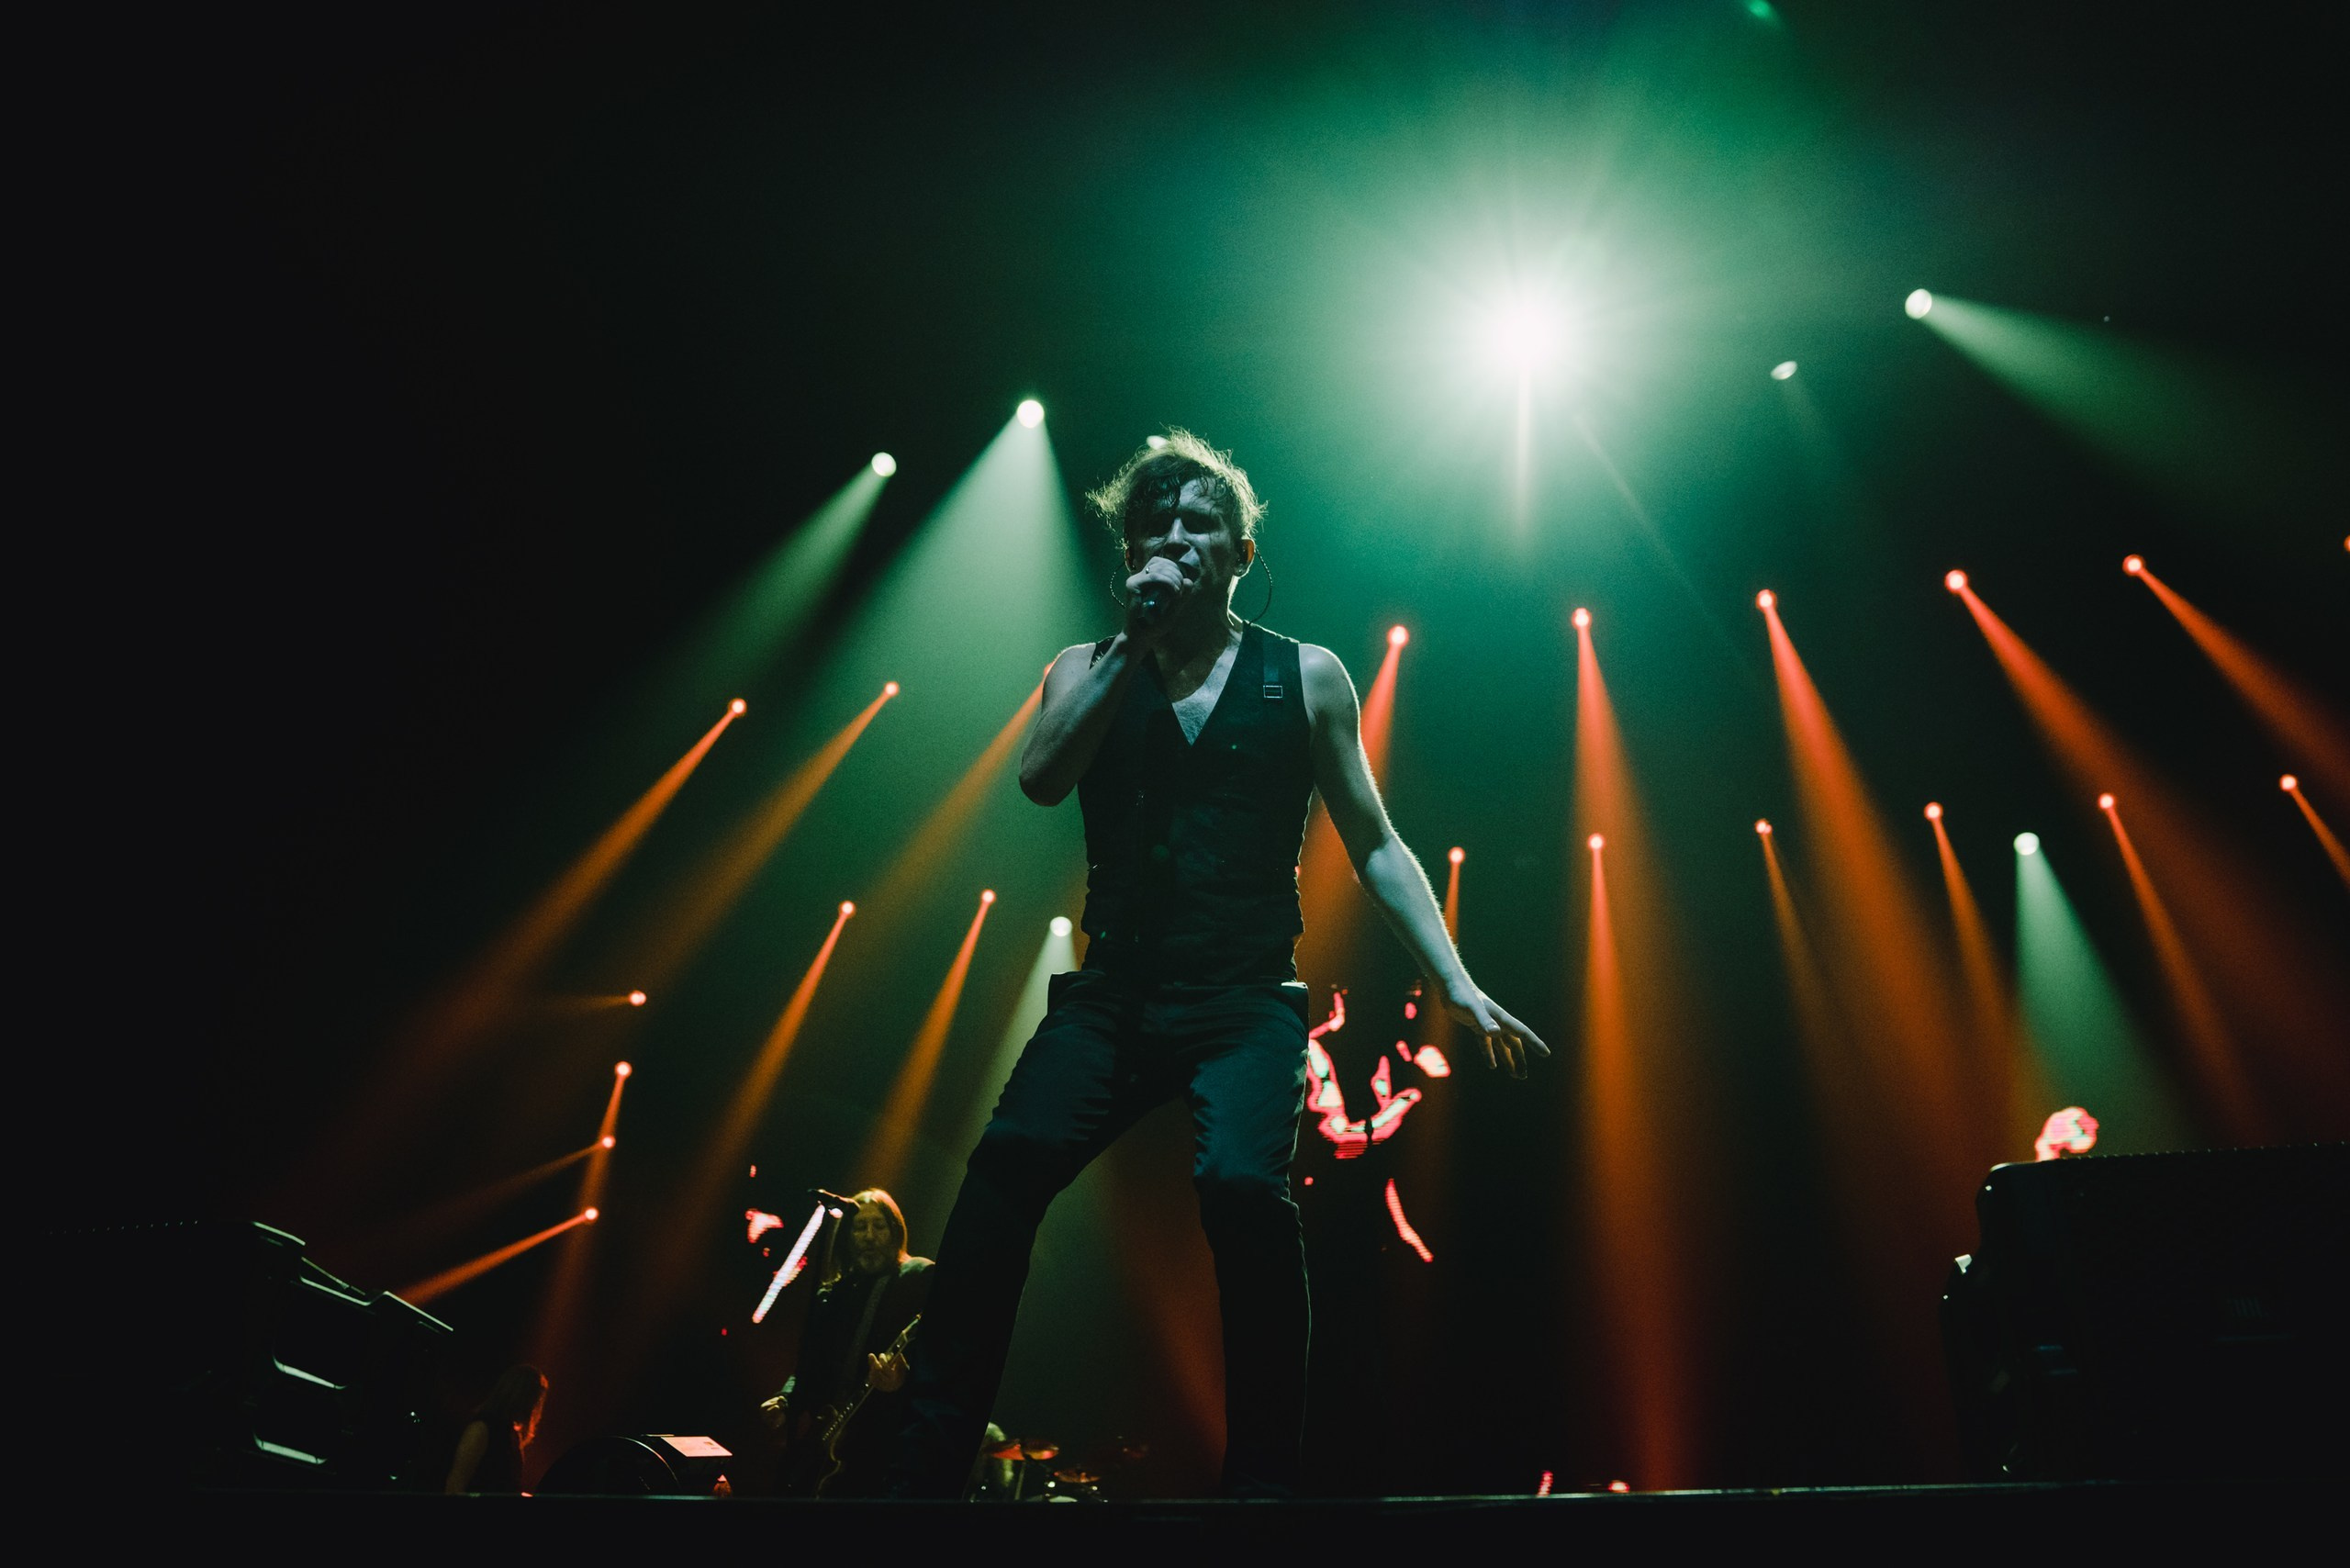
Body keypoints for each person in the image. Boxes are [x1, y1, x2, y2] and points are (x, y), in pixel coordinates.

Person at [891, 431, 1547, 1497]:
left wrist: (1455, 978)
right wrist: (1130, 649)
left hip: (1244, 997)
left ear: (1239, 553)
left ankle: (1261, 1485)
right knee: (1004, 1171)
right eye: (1154, 526)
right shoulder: (1084, 669)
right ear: (1127, 554)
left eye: (1198, 525)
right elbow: (1042, 780)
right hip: (1115, 994)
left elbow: (1373, 839)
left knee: (1242, 1188)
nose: (1174, 542)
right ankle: (921, 1470)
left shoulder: (1308, 675)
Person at [758, 1189, 932, 1495]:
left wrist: (904, 1379)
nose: (868, 1235)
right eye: (859, 1227)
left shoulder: (919, 1277)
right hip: (829, 1440)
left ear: (896, 1232)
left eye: (879, 1226)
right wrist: (787, 1399)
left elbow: (945, 1359)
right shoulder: (834, 1294)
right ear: (847, 1236)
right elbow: (808, 1364)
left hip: (888, 1444)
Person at [443, 1364, 547, 1494]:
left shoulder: (511, 1433)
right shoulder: (481, 1429)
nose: (534, 1408)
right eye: (533, 1400)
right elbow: (455, 1485)